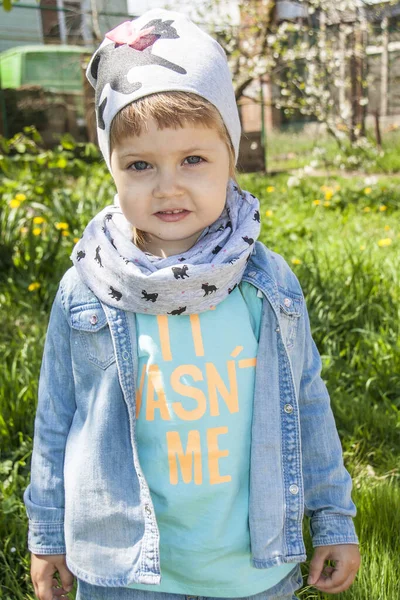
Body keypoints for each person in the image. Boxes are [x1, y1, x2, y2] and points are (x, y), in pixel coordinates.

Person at [23, 8, 360, 600]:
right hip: (126, 572)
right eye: (140, 165)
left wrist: (334, 517)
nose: (168, 185)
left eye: (194, 160)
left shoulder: (266, 281)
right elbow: (56, 420)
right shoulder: (89, 287)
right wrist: (48, 533)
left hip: (252, 570)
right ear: (112, 169)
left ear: (232, 155)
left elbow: (307, 401)